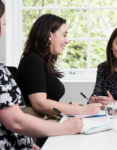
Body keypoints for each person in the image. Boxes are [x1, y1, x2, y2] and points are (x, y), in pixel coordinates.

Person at [0, 1, 84, 149]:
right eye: (3, 23)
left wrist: (26, 142)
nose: (67, 41)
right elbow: (22, 116)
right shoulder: (32, 60)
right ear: (50, 35)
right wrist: (78, 114)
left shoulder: (40, 62)